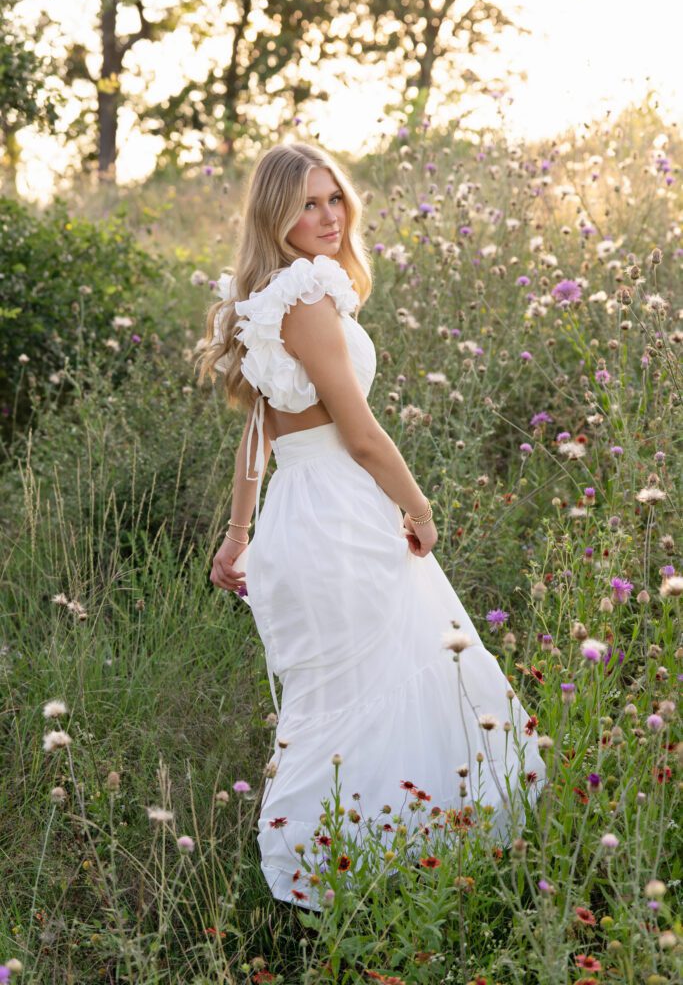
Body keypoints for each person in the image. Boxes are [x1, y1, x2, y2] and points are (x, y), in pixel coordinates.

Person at [195, 142, 547, 912]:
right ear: (274, 215)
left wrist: (239, 530)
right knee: (382, 681)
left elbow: (259, 433)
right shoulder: (304, 301)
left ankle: (369, 860)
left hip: (297, 512)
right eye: (307, 204)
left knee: (348, 689)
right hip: (340, 514)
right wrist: (417, 508)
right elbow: (359, 433)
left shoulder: (263, 298)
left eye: (334, 199)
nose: (327, 216)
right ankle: (377, 863)